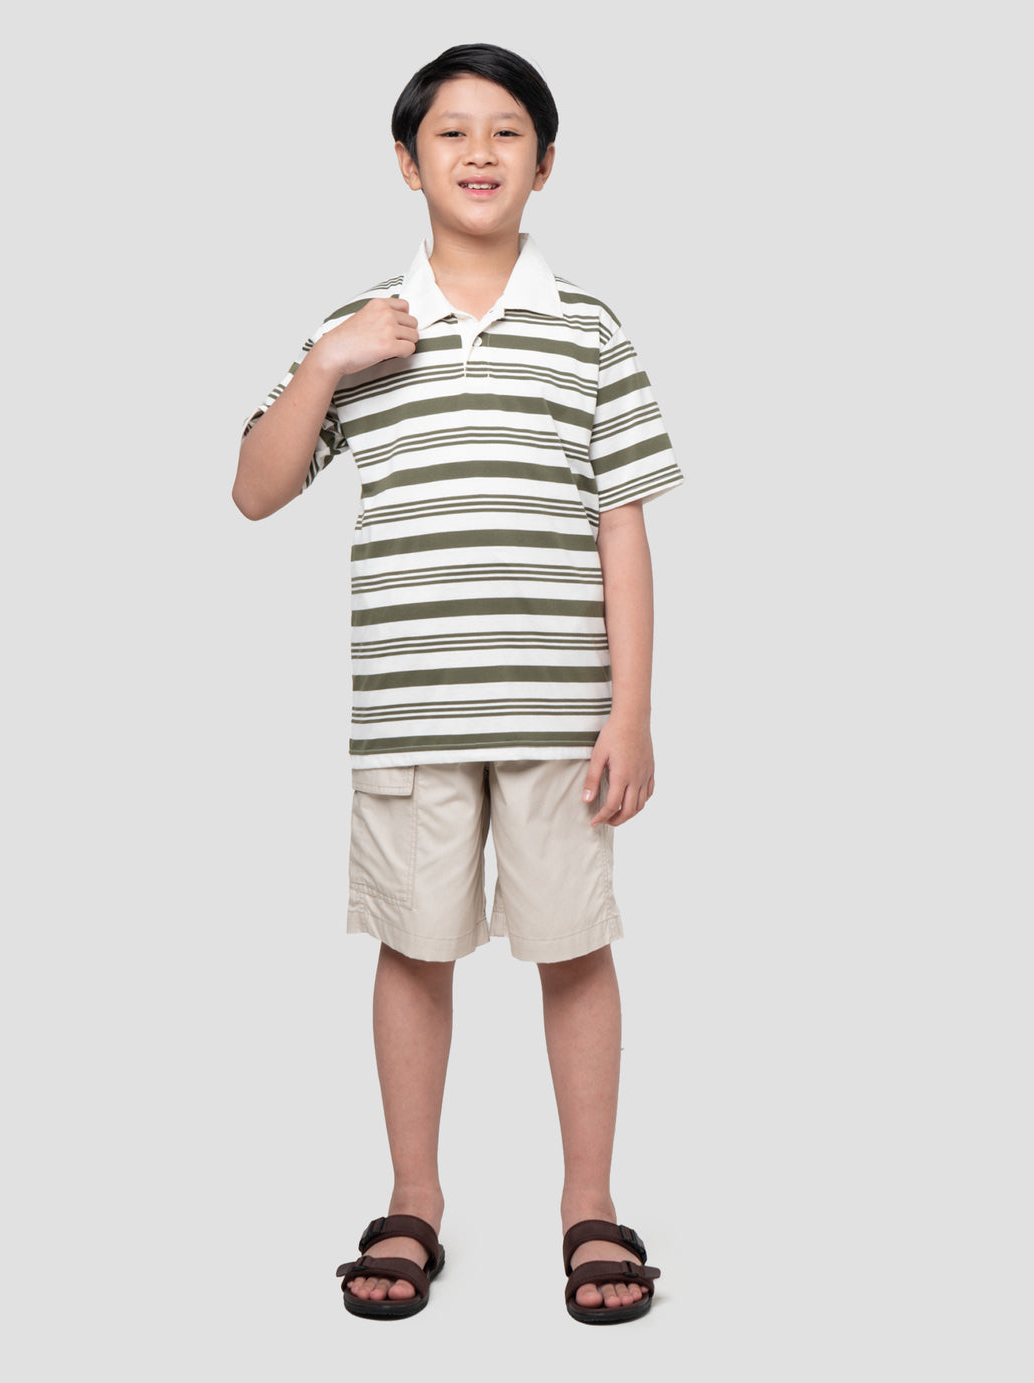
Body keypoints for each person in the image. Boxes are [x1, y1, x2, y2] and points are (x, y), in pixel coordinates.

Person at [232, 43, 684, 1324]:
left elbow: (622, 527)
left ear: (546, 163)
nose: (479, 152)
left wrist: (632, 711)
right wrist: (328, 363)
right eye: (450, 132)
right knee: (414, 946)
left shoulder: (588, 328)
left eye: (506, 132)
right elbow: (255, 490)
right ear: (406, 161)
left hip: (560, 716)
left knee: (573, 946)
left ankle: (589, 1203)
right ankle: (413, 1198)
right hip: (414, 712)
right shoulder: (363, 327)